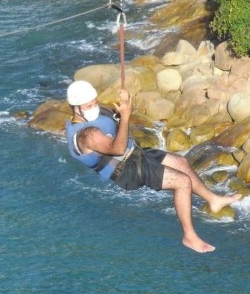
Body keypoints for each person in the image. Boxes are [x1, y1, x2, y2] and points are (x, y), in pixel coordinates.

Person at [65, 80, 241, 253]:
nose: (94, 107)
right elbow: (117, 149)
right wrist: (126, 117)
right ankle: (189, 236)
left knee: (181, 163)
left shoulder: (91, 117)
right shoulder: (88, 135)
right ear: (76, 108)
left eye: (95, 102)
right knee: (182, 182)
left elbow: (113, 123)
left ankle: (213, 200)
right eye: (89, 106)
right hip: (127, 170)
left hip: (135, 154)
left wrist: (124, 106)